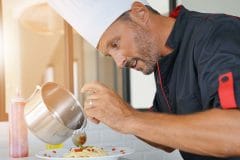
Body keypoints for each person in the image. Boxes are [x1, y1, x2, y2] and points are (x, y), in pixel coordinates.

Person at [47, 0, 240, 159]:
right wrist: (115, 115)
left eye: (115, 44)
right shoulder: (162, 60)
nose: (119, 63)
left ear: (140, 13)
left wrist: (128, 118)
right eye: (110, 55)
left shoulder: (216, 34)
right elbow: (167, 142)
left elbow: (234, 133)